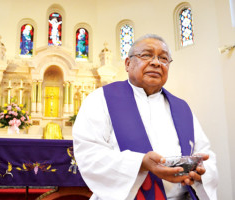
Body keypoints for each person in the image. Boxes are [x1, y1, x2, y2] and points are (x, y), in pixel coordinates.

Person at [73, 34, 218, 200]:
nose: (156, 62)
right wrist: (140, 163)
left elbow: (205, 154)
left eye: (163, 58)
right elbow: (89, 154)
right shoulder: (101, 99)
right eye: (147, 55)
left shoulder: (181, 107)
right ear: (128, 63)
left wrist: (201, 172)